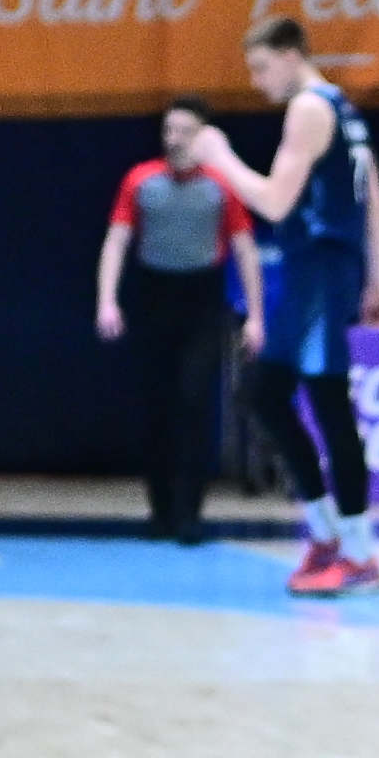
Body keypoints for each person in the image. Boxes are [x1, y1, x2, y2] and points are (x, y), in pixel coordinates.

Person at [193, 19, 379, 596]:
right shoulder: (345, 109)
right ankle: (326, 532)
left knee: (330, 407)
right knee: (262, 393)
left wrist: (219, 156)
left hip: (322, 270)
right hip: (317, 272)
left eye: (260, 68)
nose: (258, 83)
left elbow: (275, 204)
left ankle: (359, 554)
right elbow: (373, 198)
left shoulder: (308, 108)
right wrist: (378, 277)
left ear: (289, 55)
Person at [95, 101, 251, 540]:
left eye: (185, 130)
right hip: (154, 299)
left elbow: (244, 249)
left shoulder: (223, 185)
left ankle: (189, 514)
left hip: (201, 301)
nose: (175, 139)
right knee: (157, 408)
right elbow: (116, 241)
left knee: (193, 402)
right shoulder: (140, 180)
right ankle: (160, 512)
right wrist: (107, 301)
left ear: (204, 136)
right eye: (169, 129)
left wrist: (256, 316)